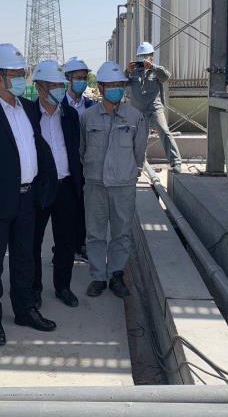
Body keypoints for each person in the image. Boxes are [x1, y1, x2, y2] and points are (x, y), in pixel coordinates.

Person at [0, 43, 58, 347]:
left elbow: (37, 148)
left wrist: (44, 186)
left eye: (22, 73)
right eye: (16, 75)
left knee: (24, 257)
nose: (21, 79)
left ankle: (24, 310)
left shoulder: (28, 108)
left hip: (27, 198)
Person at [79, 61, 146, 299]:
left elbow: (139, 151)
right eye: (111, 85)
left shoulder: (134, 117)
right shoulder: (87, 117)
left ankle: (116, 274)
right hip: (95, 185)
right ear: (101, 87)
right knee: (95, 233)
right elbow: (82, 150)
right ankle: (98, 276)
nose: (116, 89)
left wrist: (129, 172)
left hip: (123, 185)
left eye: (120, 84)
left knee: (121, 233)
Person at [30, 60, 83, 309]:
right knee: (33, 241)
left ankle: (63, 286)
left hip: (66, 186)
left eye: (61, 85)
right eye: (53, 85)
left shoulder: (70, 115)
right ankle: (35, 289)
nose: (59, 89)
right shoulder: (28, 115)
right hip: (39, 188)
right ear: (39, 87)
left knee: (66, 241)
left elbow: (75, 150)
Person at [125, 41, 183, 173]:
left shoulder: (156, 70)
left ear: (151, 56)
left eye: (146, 56)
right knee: (140, 139)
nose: (143, 59)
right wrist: (127, 71)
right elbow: (122, 83)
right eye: (140, 56)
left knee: (164, 131)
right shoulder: (133, 72)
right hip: (138, 111)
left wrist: (153, 67)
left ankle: (176, 162)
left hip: (155, 108)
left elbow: (166, 77)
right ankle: (138, 166)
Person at [61, 56, 94, 262]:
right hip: (64, 167)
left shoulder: (90, 106)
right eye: (78, 78)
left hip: (84, 165)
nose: (82, 81)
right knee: (65, 211)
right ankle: (64, 247)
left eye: (84, 78)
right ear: (68, 79)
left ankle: (80, 244)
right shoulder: (59, 105)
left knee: (82, 208)